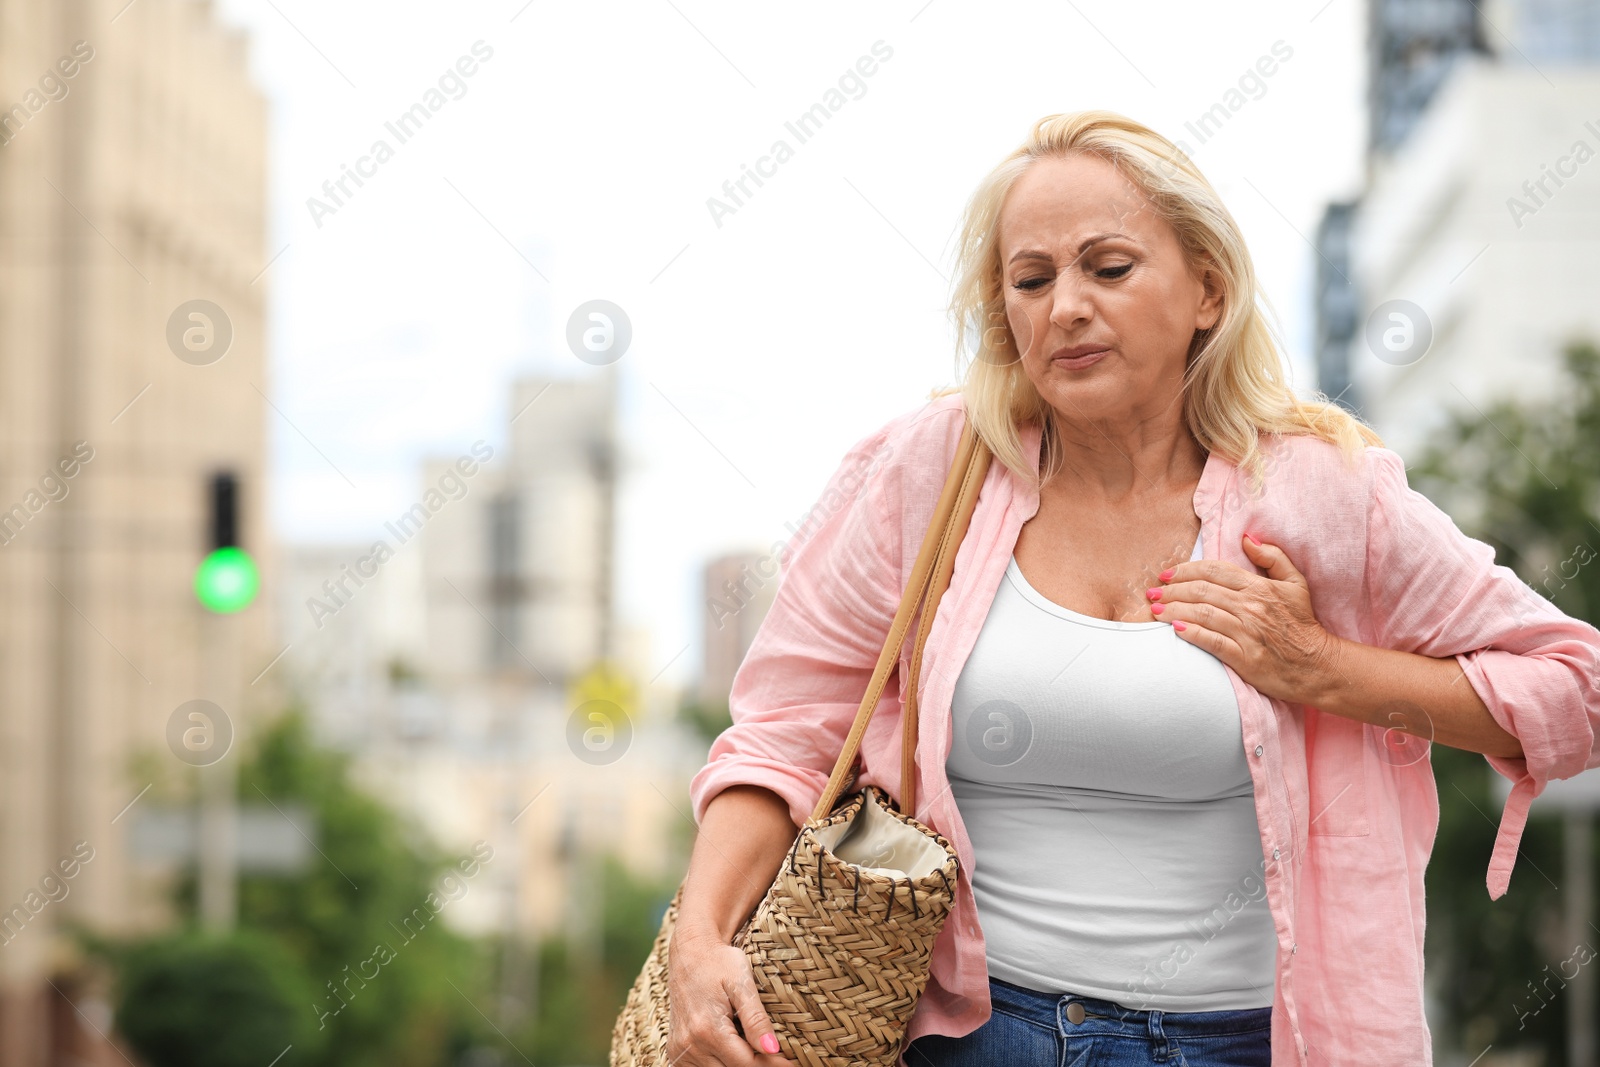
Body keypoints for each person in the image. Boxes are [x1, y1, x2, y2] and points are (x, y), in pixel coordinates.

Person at [663, 110, 1600, 1067]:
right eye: (1031, 280)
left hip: (1236, 1044)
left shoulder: (1323, 492)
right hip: (973, 1038)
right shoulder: (930, 471)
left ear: (1208, 289)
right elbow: (786, 731)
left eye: (1107, 268)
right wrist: (697, 944)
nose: (1065, 306)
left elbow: (1577, 687)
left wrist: (1322, 668)